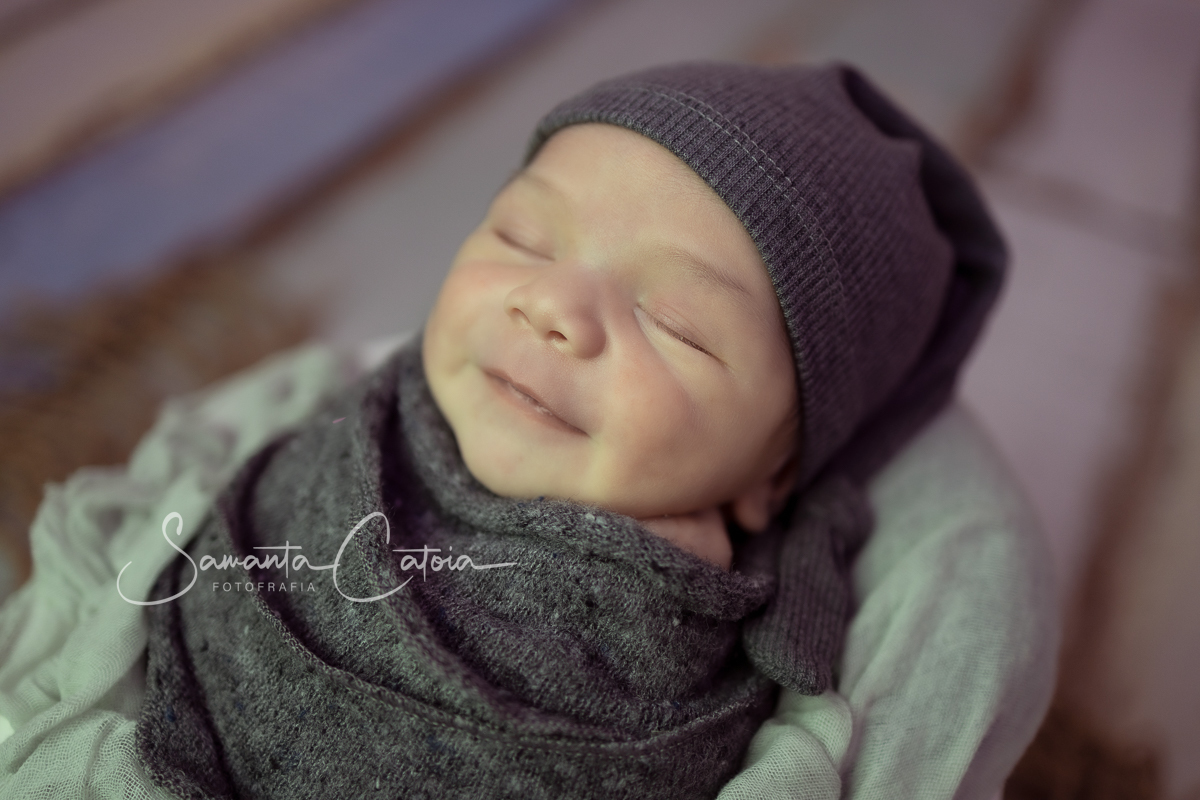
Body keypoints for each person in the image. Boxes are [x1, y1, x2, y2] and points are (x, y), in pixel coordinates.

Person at [0, 62, 1058, 799]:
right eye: (524, 235)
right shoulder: (359, 402)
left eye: (677, 323)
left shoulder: (746, 622)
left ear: (772, 476)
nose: (554, 307)